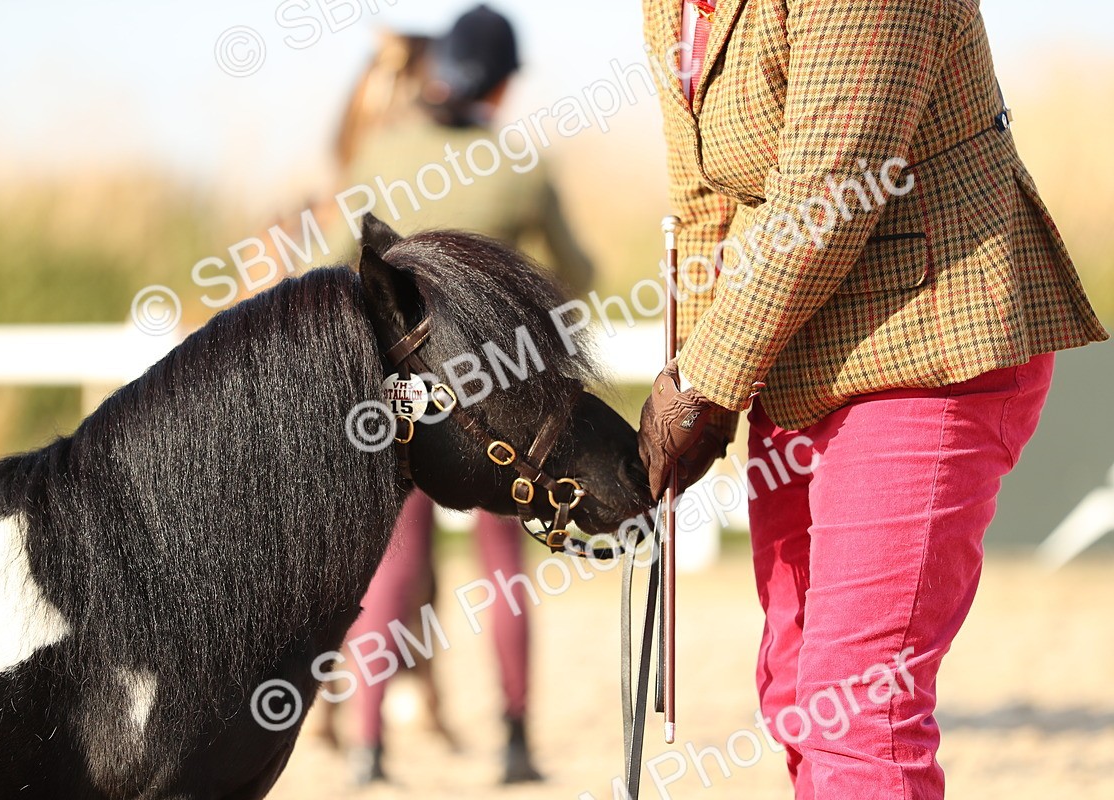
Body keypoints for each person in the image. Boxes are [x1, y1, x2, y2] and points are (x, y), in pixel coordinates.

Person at [635, 2, 1108, 799]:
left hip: (926, 335)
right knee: (795, 694)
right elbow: (704, 199)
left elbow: (833, 184)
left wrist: (703, 382)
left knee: (858, 709)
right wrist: (687, 379)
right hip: (790, 347)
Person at [337, 5, 595, 786]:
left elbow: (334, 269)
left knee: (396, 563)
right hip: (500, 395)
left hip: (406, 395)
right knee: (503, 567)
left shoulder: (378, 153)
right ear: (504, 83)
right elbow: (576, 273)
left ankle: (368, 745)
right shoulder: (522, 166)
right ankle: (515, 742)